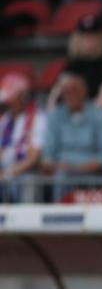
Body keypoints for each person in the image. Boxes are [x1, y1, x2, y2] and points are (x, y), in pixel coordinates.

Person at [41, 73, 102, 202]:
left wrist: (75, 168)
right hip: (61, 172)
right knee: (58, 178)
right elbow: (47, 154)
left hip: (92, 173)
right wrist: (51, 164)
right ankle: (57, 217)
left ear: (84, 91)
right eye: (66, 91)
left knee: (67, 177)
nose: (70, 95)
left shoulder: (99, 115)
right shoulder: (55, 116)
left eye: (74, 90)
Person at [49, 14, 102, 111]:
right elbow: (57, 91)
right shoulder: (74, 61)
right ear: (77, 38)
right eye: (84, 36)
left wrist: (82, 118)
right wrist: (52, 112)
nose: (88, 40)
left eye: (93, 35)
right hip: (73, 115)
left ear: (100, 38)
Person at [0, 73, 45, 202]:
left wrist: (8, 172)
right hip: (4, 172)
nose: (8, 104)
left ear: (24, 97)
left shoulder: (38, 118)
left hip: (26, 173)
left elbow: (33, 158)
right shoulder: (4, 120)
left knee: (28, 181)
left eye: (11, 100)